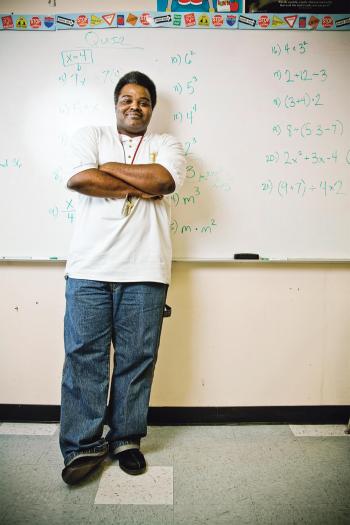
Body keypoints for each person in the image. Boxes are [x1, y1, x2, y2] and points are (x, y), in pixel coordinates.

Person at [59, 71, 185, 485]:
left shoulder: (166, 145)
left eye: (144, 101)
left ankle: (126, 440)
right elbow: (80, 178)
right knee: (84, 358)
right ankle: (83, 446)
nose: (135, 106)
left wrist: (108, 172)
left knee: (137, 358)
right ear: (116, 104)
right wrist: (133, 178)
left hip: (146, 268)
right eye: (127, 99)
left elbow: (163, 180)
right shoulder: (90, 135)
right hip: (89, 267)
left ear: (152, 108)